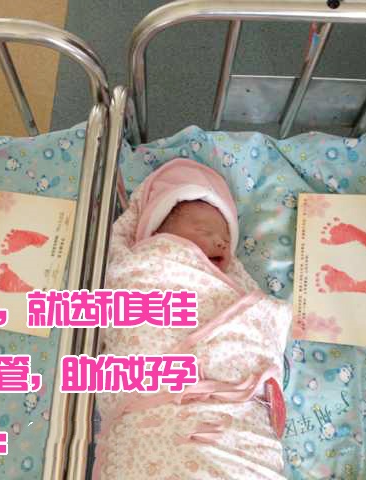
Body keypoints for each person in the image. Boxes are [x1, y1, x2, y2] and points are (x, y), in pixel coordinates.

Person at [94, 158, 291, 479]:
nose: (220, 241)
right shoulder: (142, 268)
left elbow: (259, 323)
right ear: (158, 233)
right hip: (154, 411)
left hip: (232, 422)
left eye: (225, 238)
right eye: (204, 231)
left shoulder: (232, 287)